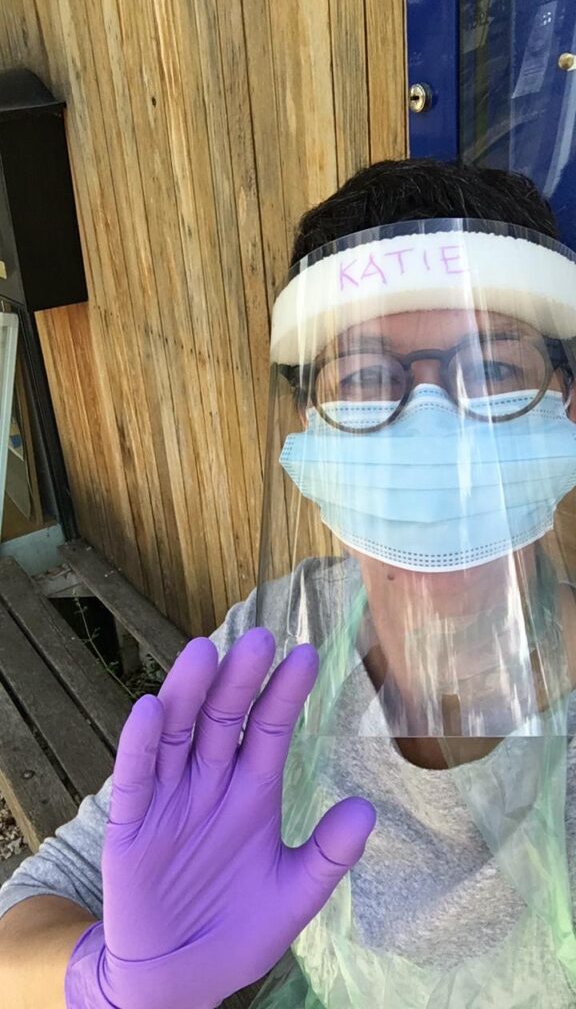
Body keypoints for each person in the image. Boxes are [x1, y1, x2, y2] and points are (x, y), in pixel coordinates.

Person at [1, 158, 576, 1009]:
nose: (432, 431)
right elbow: (29, 916)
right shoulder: (276, 643)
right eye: (365, 380)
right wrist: (104, 980)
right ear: (313, 435)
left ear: (564, 405)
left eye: (491, 372)